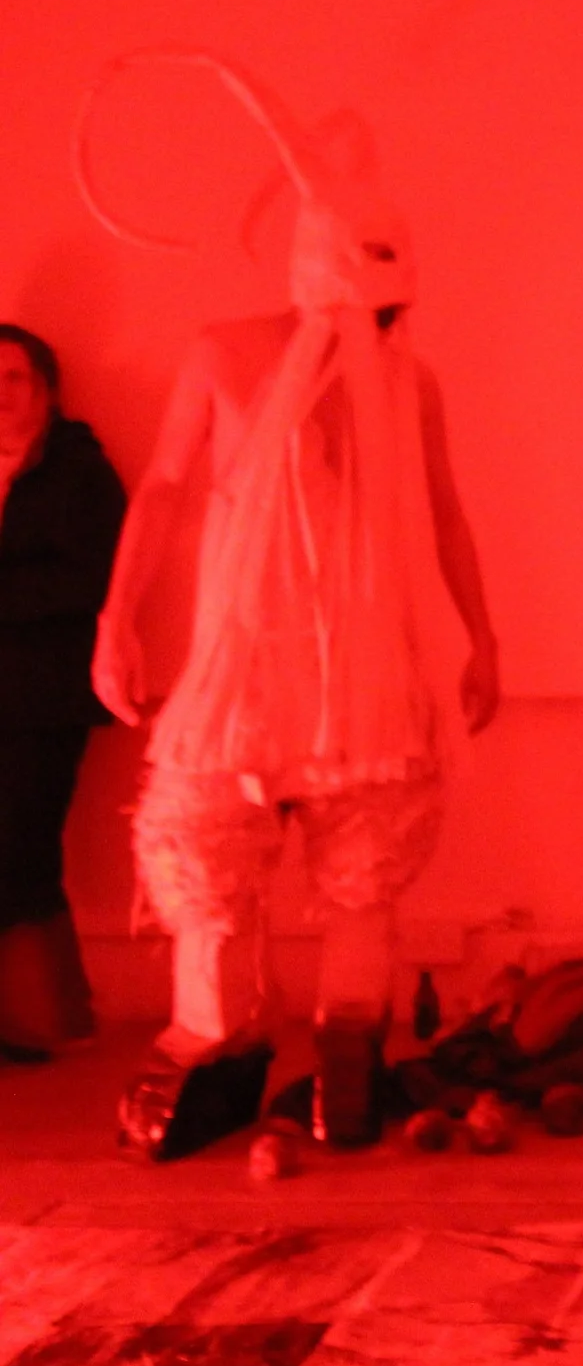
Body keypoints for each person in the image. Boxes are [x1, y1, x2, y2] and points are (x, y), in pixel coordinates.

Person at [86, 56, 499, 1160]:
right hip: (248, 668)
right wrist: (116, 619)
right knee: (210, 859)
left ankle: (349, 1049)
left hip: (367, 670)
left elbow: (444, 510)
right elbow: (165, 486)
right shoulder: (225, 353)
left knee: (364, 869)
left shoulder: (408, 381)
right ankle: (216, 1040)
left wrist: (482, 637)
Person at [0, 324, 126, 1060]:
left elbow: (93, 579)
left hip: (42, 698)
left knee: (20, 843)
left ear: (46, 390)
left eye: (14, 377)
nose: (1, 393)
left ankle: (31, 1019)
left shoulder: (80, 472)